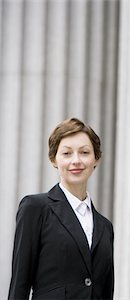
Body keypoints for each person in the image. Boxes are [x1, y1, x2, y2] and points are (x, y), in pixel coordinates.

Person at [8, 118, 114, 300]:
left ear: (96, 159)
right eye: (66, 153)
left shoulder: (105, 227)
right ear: (53, 159)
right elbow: (20, 283)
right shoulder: (35, 208)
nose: (76, 160)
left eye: (84, 152)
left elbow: (106, 291)